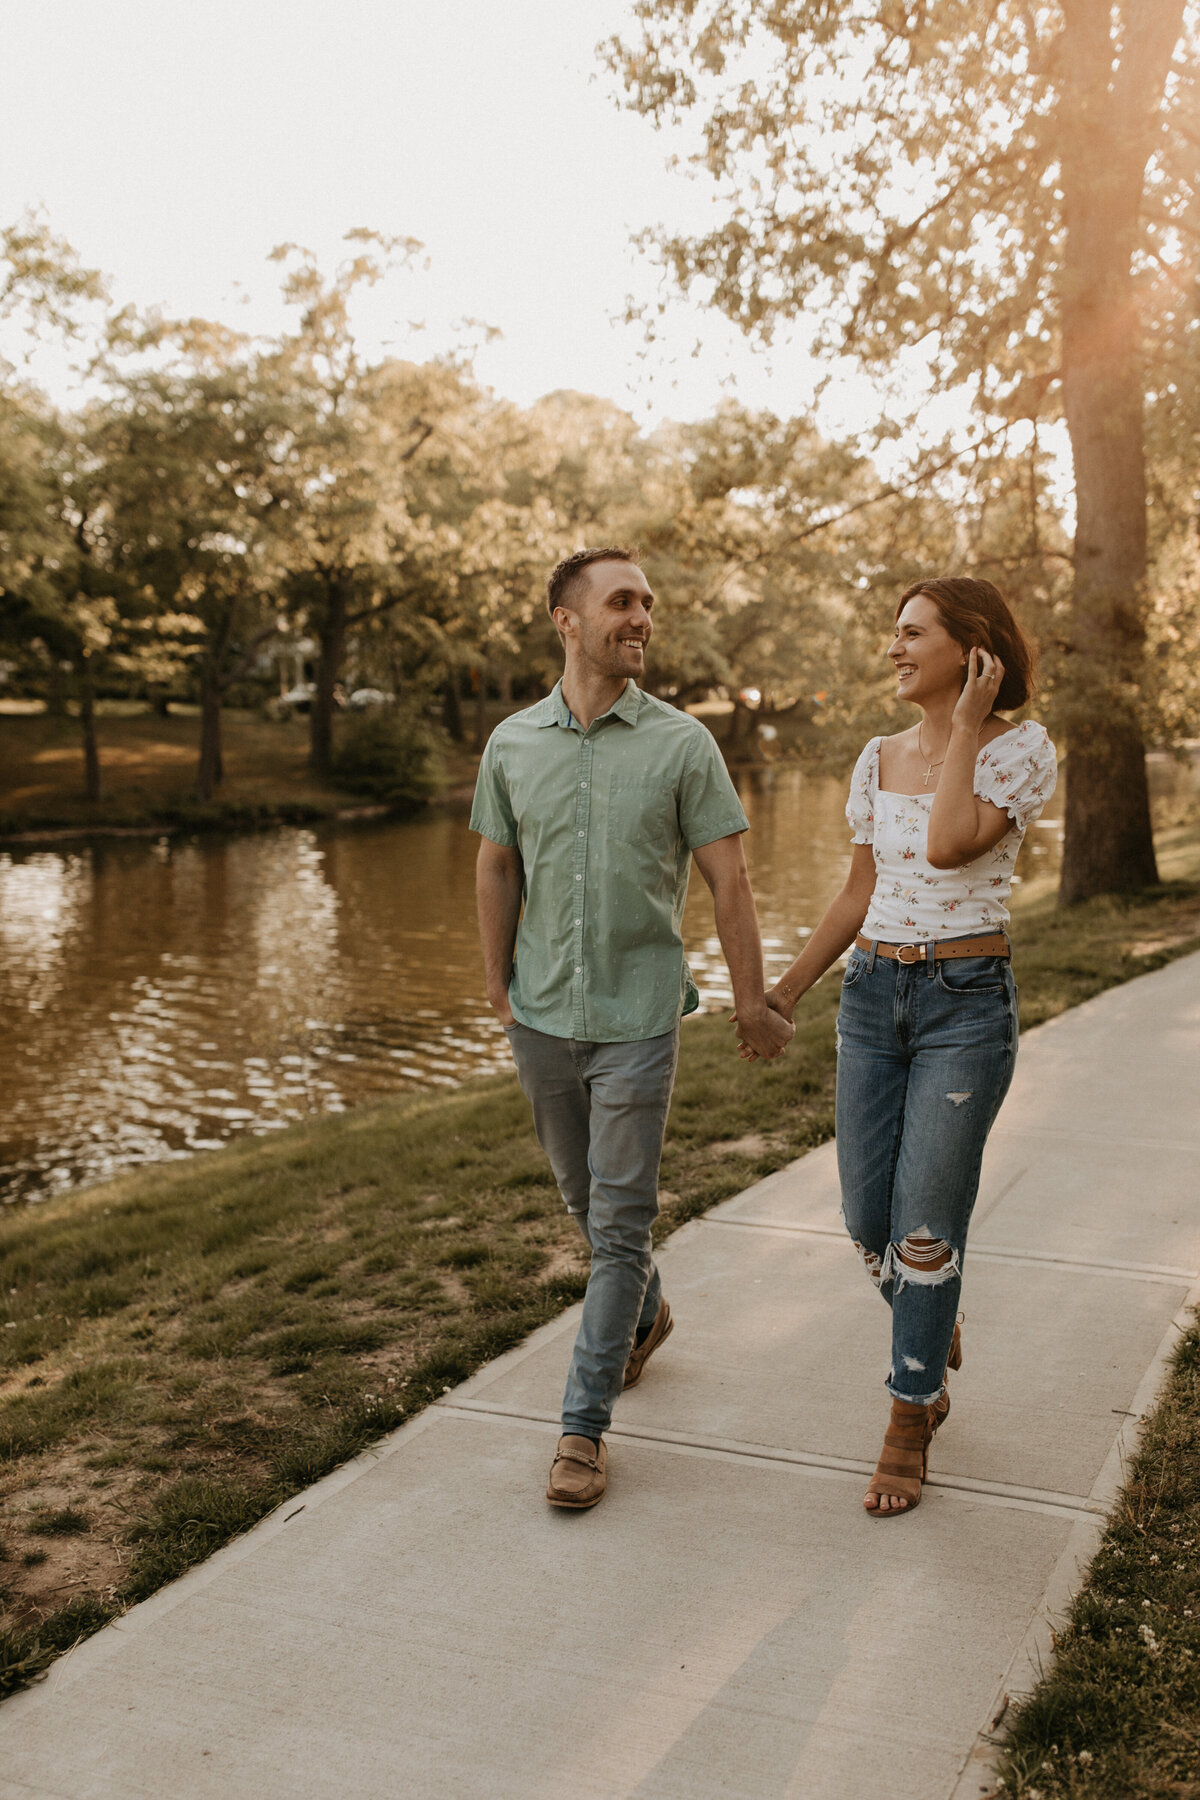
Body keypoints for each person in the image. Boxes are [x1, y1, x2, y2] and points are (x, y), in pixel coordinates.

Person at [472, 546, 794, 1510]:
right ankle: (645, 1317)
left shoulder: (684, 744)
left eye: (648, 603)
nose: (641, 617)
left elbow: (728, 880)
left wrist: (751, 999)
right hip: (540, 1015)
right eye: (621, 602)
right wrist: (497, 987)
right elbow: (496, 867)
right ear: (566, 621)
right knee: (583, 1201)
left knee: (618, 1224)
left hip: (639, 1018)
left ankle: (582, 1430)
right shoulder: (511, 743)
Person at [753, 576, 1056, 1516]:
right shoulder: (875, 756)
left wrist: (965, 726)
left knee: (926, 1227)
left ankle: (909, 1414)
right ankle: (934, 1315)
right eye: (894, 632)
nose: (893, 647)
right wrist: (785, 990)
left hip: (964, 1003)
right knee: (863, 1219)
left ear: (975, 650)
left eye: (913, 632)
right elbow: (859, 891)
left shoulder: (1021, 750)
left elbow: (948, 847)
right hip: (872, 997)